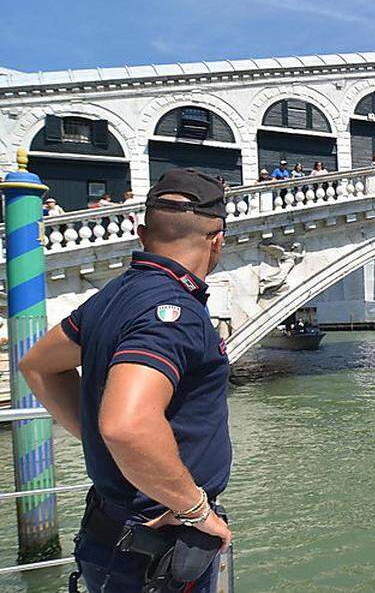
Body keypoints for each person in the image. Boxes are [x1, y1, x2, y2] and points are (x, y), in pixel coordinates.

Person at [20, 169, 233, 592]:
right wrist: (195, 510)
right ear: (216, 239)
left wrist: (99, 440)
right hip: (157, 546)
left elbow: (39, 365)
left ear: (140, 233)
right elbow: (126, 425)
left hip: (109, 532)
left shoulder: (112, 297)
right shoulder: (175, 311)